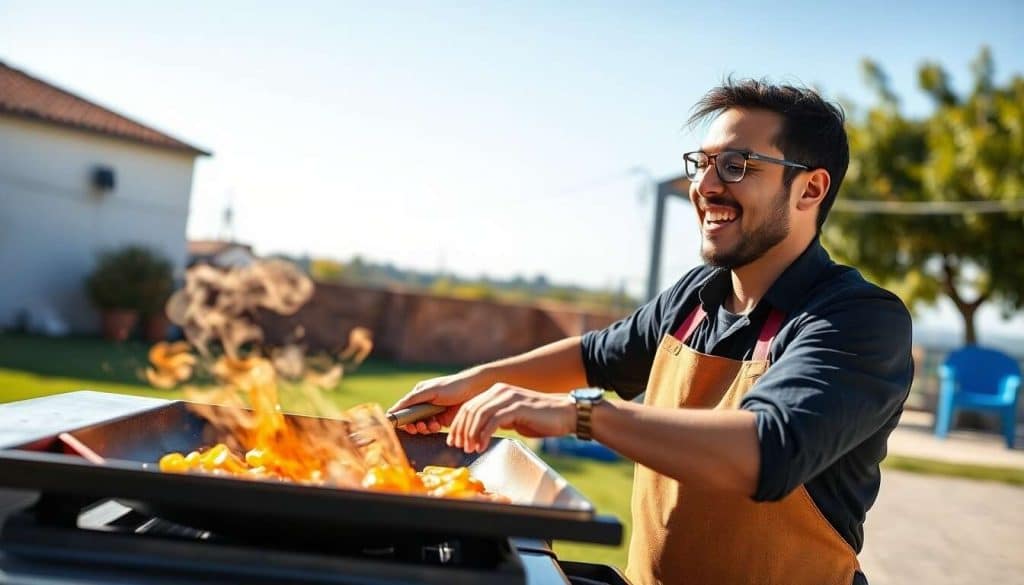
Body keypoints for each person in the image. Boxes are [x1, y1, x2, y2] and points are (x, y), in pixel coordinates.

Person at [389, 79, 913, 585]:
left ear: (809, 189)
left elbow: (768, 449)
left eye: (736, 166)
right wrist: (473, 383)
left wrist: (580, 412)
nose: (705, 187)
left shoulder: (858, 319)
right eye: (702, 165)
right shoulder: (694, 299)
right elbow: (597, 357)